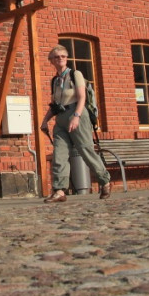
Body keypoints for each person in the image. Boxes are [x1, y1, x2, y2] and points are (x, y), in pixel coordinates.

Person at [38, 44, 112, 203]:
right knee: (60, 153)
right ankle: (59, 190)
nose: (60, 59)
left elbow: (81, 97)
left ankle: (104, 181)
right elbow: (55, 104)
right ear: (51, 60)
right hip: (61, 118)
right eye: (56, 57)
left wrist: (76, 116)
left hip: (77, 114)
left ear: (67, 59)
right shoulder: (55, 80)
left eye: (63, 56)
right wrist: (45, 121)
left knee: (85, 150)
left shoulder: (74, 74)